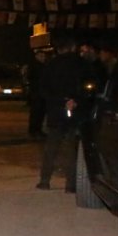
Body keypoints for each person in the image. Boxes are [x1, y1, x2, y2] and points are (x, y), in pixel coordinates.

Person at [37, 38, 88, 191]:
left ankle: (45, 180)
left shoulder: (51, 65)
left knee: (51, 147)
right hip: (75, 110)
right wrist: (75, 100)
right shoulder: (82, 64)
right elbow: (88, 85)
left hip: (56, 110)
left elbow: (43, 89)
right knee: (71, 148)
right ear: (72, 47)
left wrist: (60, 101)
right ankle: (70, 184)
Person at [26, 51, 47, 139]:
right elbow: (31, 77)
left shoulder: (44, 66)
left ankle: (38, 130)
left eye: (44, 56)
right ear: (36, 56)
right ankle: (33, 130)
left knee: (41, 113)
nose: (43, 58)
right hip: (36, 93)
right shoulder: (34, 66)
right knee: (36, 113)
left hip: (42, 93)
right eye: (41, 56)